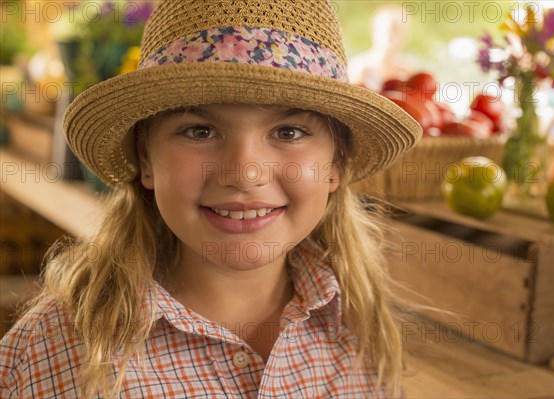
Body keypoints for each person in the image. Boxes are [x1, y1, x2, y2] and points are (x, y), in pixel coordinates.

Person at [0, 0, 421, 397]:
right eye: (200, 131)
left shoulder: (362, 330)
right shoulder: (55, 353)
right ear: (146, 157)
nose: (244, 173)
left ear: (337, 161)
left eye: (289, 132)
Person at [348, 5, 418, 91]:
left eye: (397, 32)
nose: (390, 37)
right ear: (373, 31)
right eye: (386, 31)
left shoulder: (409, 71)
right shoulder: (358, 67)